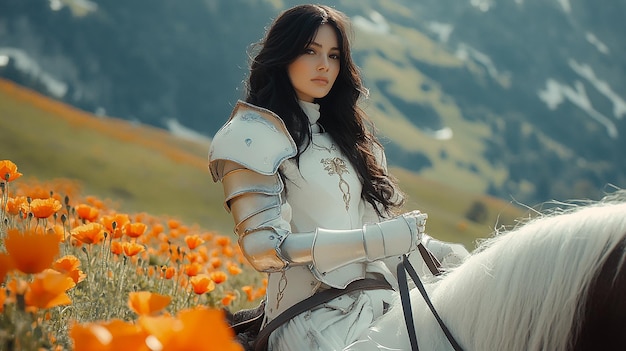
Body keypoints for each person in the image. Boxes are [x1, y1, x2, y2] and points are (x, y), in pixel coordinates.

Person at [209, 4, 468, 350]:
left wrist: (448, 256)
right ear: (283, 55)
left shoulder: (353, 140)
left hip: (376, 304)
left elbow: (381, 231)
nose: (324, 66)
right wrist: (375, 240)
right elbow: (264, 248)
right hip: (305, 318)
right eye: (310, 51)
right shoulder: (252, 136)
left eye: (333, 56)